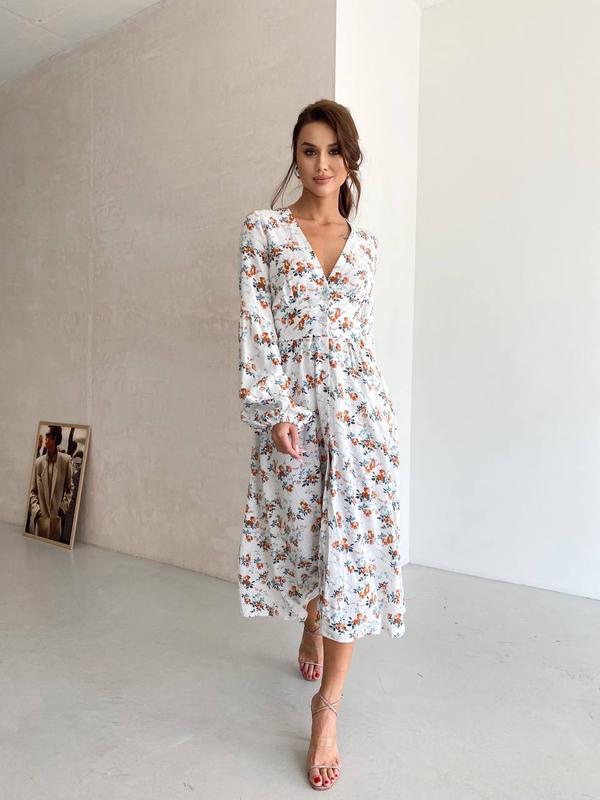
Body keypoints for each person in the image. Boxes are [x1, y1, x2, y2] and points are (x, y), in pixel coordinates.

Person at [237, 99, 406, 791]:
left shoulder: (366, 246)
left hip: (362, 421)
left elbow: (358, 343)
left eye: (334, 151)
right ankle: (311, 620)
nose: (322, 164)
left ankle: (327, 709)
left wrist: (375, 422)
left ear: (350, 158)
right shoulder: (265, 231)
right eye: (309, 150)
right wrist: (275, 409)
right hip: (296, 417)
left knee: (352, 560)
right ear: (295, 157)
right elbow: (257, 327)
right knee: (310, 546)